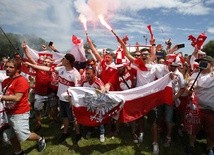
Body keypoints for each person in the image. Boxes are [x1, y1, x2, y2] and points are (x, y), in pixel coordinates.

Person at [24, 53, 81, 144]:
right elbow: (47, 68)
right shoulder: (61, 69)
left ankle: (78, 133)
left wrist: (72, 99)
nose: (62, 59)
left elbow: (77, 89)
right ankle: (65, 132)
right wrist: (31, 65)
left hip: (69, 101)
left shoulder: (75, 74)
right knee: (64, 117)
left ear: (68, 61)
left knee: (73, 118)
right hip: (61, 99)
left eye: (64, 58)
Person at [0, 58, 46, 155]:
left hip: (19, 113)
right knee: (10, 135)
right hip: (7, 113)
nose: (7, 69)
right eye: (6, 67)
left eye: (11, 67)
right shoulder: (5, 81)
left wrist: (1, 97)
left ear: (18, 69)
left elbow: (17, 98)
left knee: (24, 136)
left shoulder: (21, 81)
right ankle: (19, 152)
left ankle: (40, 138)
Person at [22, 42, 58, 132]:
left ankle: (52, 117)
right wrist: (25, 49)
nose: (45, 63)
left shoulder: (54, 69)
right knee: (37, 109)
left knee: (53, 107)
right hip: (39, 94)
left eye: (48, 62)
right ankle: (38, 123)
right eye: (44, 61)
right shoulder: (38, 67)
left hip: (50, 93)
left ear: (51, 63)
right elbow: (30, 58)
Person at [185, 56, 214, 155]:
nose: (201, 64)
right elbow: (192, 82)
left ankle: (209, 148)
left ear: (212, 64)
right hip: (196, 108)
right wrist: (190, 88)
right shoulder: (196, 74)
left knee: (212, 131)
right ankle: (191, 145)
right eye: (200, 62)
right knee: (193, 128)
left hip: (211, 110)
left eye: (204, 62)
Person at [81, 66, 106, 142]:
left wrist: (100, 91)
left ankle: (102, 133)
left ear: (94, 74)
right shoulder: (84, 82)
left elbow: (103, 90)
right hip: (88, 104)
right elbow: (79, 90)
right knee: (90, 117)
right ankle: (90, 130)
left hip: (98, 104)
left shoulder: (98, 81)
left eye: (89, 74)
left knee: (99, 118)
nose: (87, 75)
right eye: (86, 73)